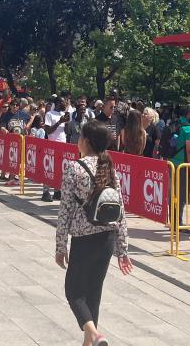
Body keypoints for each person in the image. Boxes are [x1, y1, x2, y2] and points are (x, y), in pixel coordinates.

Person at [56, 121, 133, 346]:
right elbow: (121, 210)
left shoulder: (74, 167)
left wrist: (61, 246)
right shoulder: (109, 166)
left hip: (84, 237)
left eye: (79, 137)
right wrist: (123, 249)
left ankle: (96, 335)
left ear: (86, 141)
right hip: (107, 237)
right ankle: (89, 343)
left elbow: (65, 210)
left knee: (73, 291)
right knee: (93, 293)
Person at [168, 105, 190, 235]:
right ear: (189, 114)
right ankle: (178, 225)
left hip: (172, 164)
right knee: (181, 195)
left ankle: (174, 222)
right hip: (183, 167)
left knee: (174, 194)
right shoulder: (189, 129)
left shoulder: (174, 124)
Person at [43, 97, 71, 201]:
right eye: (64, 102)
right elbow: (48, 131)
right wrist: (59, 122)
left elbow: (67, 132)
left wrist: (67, 122)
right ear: (58, 103)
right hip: (52, 145)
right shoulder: (49, 114)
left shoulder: (62, 114)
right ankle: (45, 192)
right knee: (49, 169)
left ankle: (57, 191)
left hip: (62, 144)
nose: (66, 103)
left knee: (60, 170)